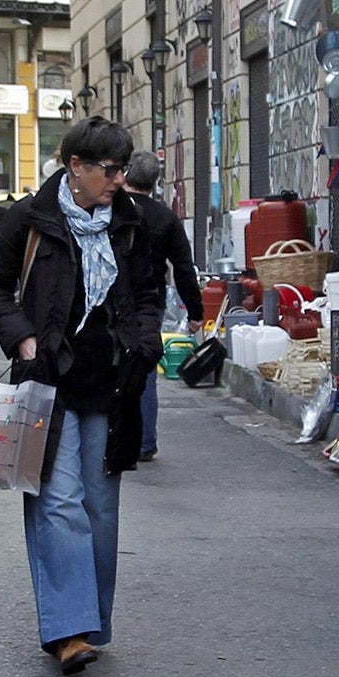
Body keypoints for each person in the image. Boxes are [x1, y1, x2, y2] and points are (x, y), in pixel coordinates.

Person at [0, 117, 165, 677]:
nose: (118, 179)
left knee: (100, 510)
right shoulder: (32, 217)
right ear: (75, 167)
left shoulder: (132, 221)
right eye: (109, 169)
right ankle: (68, 633)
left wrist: (144, 342)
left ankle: (89, 623)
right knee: (59, 502)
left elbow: (150, 292)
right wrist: (21, 335)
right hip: (48, 385)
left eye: (123, 169)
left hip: (110, 384)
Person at [122, 151, 203, 462]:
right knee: (145, 370)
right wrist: (195, 313)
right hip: (148, 303)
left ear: (125, 175)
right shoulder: (165, 218)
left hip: (109, 300)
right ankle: (144, 441)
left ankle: (112, 438)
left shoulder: (109, 209)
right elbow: (184, 268)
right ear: (155, 182)